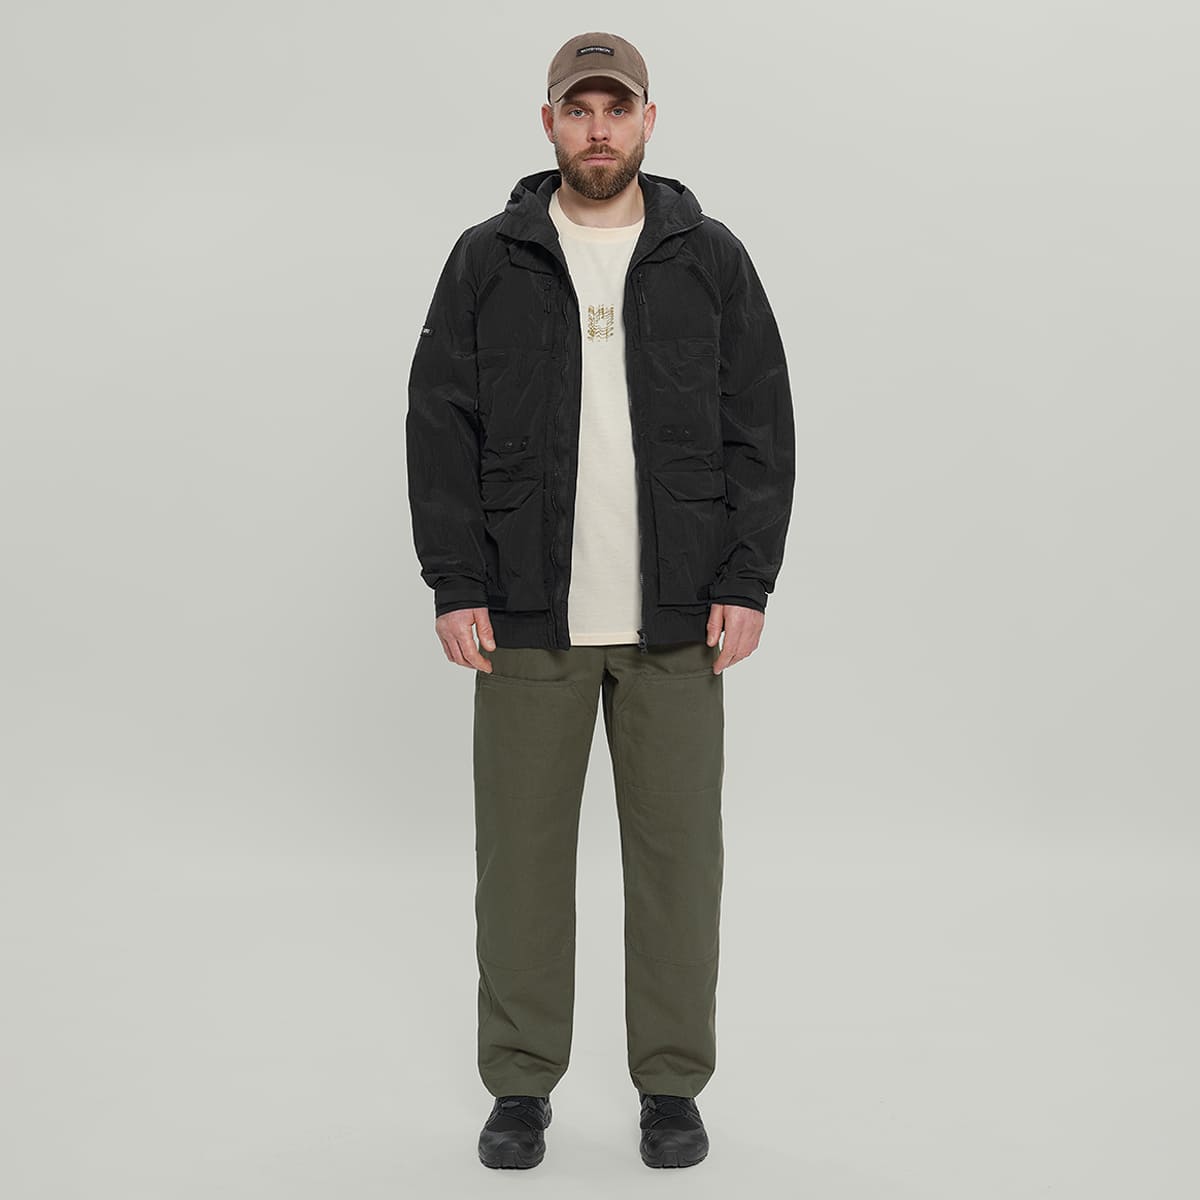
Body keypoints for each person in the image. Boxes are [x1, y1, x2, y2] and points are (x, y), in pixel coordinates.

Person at [405, 31, 795, 1171]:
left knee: (678, 869)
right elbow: (440, 427)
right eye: (577, 110)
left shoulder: (709, 258)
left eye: (615, 109)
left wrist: (746, 579)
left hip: (680, 620)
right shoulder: (488, 258)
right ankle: (520, 1086)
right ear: (548, 124)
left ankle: (670, 1088)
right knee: (520, 867)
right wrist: (455, 581)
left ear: (648, 121)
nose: (598, 130)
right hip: (526, 616)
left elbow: (760, 426)